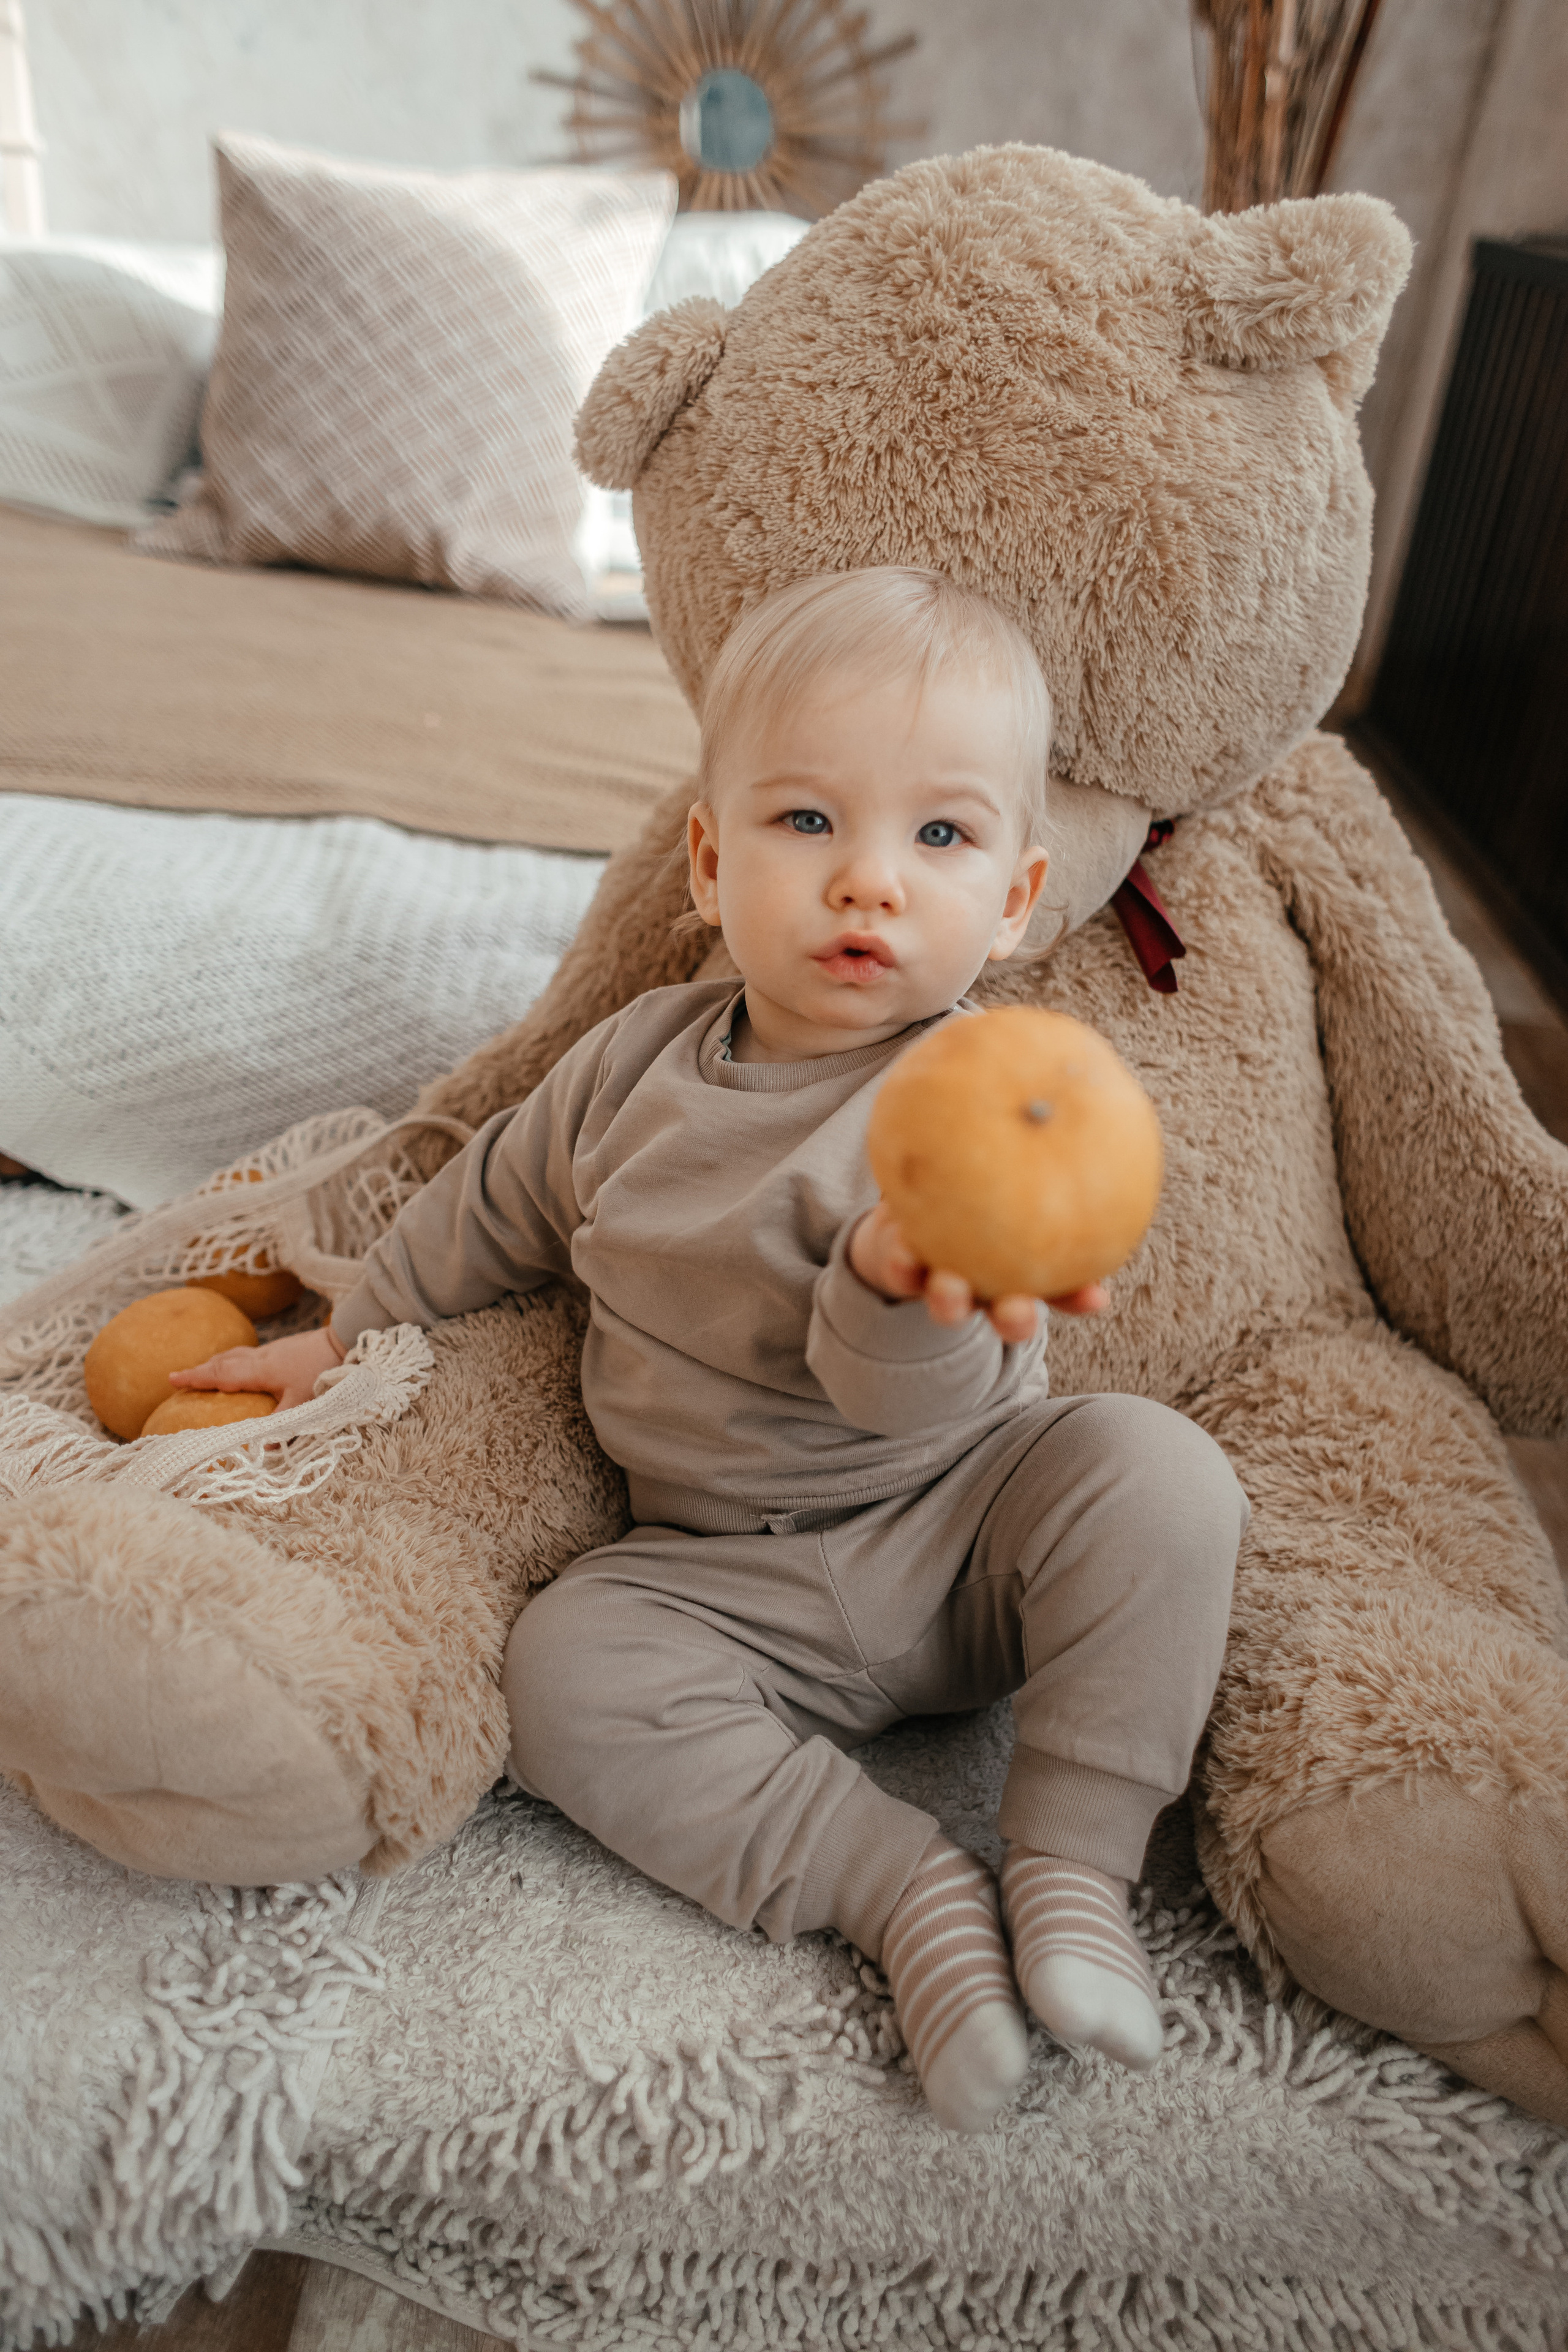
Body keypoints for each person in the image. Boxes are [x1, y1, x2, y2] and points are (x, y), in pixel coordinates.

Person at [174, 568, 1248, 2133]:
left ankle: (1073, 1869)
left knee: (1158, 1480)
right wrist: (349, 1329)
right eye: (806, 823)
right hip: (718, 1574)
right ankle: (897, 1889)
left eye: (936, 838)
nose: (867, 883)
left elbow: (893, 1394)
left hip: (965, 1528)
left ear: (1014, 903)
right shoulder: (628, 1068)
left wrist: (900, 1281)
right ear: (706, 857)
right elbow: (490, 1210)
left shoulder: (975, 1103)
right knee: (561, 1675)